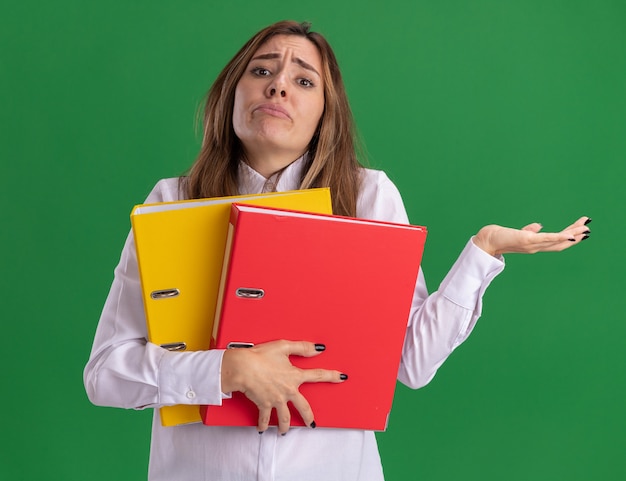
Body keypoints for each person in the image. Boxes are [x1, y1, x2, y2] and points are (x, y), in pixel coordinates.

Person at [83, 20, 591, 481]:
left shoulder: (367, 197)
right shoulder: (171, 201)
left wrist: (482, 252)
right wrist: (225, 370)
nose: (278, 84)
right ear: (231, 93)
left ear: (326, 112)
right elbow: (106, 374)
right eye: (262, 70)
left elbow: (411, 363)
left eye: (304, 80)